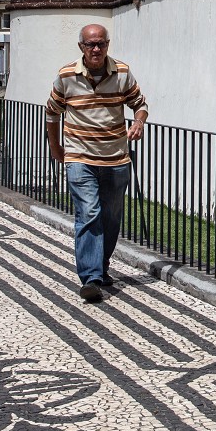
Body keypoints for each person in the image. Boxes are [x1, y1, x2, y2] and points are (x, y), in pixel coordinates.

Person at [45, 23, 147, 302]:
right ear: (81, 47)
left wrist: (138, 122)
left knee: (111, 218)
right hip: (79, 157)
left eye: (101, 43)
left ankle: (101, 267)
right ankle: (90, 277)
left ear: (107, 45)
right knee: (89, 213)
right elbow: (52, 112)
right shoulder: (66, 76)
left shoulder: (122, 72)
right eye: (91, 44)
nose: (96, 49)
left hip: (115, 158)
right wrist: (57, 148)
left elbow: (140, 104)